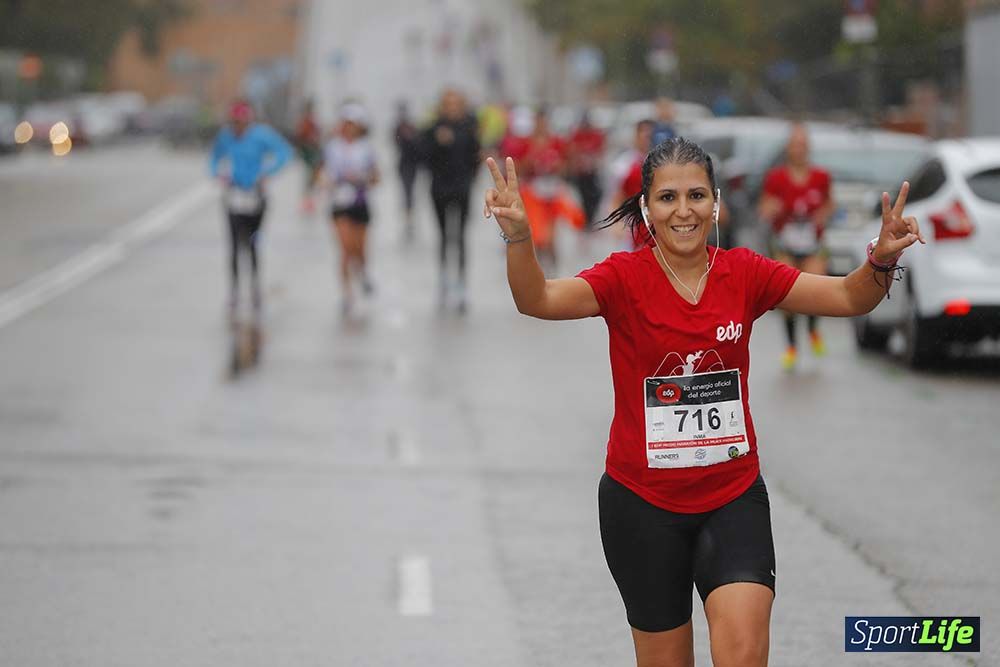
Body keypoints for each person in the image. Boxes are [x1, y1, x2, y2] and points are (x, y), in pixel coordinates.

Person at [483, 137, 923, 667]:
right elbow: (538, 300)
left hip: (731, 497)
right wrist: (520, 238)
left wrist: (880, 256)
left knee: (742, 650)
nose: (683, 210)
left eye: (696, 196)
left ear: (716, 203)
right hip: (640, 504)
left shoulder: (745, 273)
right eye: (667, 198)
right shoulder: (624, 278)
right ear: (646, 208)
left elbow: (850, 296)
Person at [757, 123, 835, 370]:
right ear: (788, 149)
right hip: (785, 241)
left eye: (803, 145)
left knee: (815, 288)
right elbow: (764, 208)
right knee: (787, 293)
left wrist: (823, 214)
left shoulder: (821, 176)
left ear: (808, 148)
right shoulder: (776, 177)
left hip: (812, 242)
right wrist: (773, 209)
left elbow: (830, 204)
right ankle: (791, 346)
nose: (799, 149)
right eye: (794, 145)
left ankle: (812, 329)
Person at [209, 99, 292, 320]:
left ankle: (255, 287)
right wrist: (219, 174)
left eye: (241, 122)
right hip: (234, 196)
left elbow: (284, 153)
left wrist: (268, 172)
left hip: (256, 197)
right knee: (234, 245)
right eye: (234, 122)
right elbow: (214, 159)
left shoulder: (262, 135)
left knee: (254, 243)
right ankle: (235, 292)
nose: (238, 126)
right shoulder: (225, 137)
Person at [422, 88, 481, 311]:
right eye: (448, 104)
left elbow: (475, 156)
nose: (452, 108)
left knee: (461, 236)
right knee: (444, 236)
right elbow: (423, 156)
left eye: (456, 103)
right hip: (439, 188)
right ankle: (444, 279)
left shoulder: (468, 128)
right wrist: (437, 142)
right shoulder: (433, 128)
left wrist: (470, 179)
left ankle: (462, 283)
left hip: (462, 187)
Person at [323, 103, 379, 314]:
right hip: (339, 202)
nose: (348, 128)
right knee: (345, 249)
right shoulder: (332, 147)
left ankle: (363, 273)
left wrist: (363, 178)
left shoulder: (366, 148)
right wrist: (327, 180)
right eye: (345, 123)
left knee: (359, 250)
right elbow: (323, 172)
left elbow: (376, 176)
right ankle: (347, 294)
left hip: (360, 201)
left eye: (352, 124)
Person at [568, 110, 606, 230]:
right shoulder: (577, 135)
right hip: (580, 173)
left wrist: (594, 162)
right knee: (582, 197)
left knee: (596, 194)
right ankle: (585, 219)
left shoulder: (595, 134)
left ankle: (590, 217)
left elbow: (601, 150)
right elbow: (572, 151)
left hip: (592, 172)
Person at [393, 101, 422, 241]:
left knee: (410, 191)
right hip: (404, 165)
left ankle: (410, 214)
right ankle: (407, 214)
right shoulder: (398, 128)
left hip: (412, 165)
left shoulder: (412, 127)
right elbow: (396, 143)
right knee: (406, 191)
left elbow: (418, 144)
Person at [293, 98, 323, 215]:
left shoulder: (311, 121)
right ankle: (307, 201)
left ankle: (310, 200)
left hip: (312, 151)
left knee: (312, 177)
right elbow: (301, 137)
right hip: (308, 151)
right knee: (309, 177)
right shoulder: (305, 122)